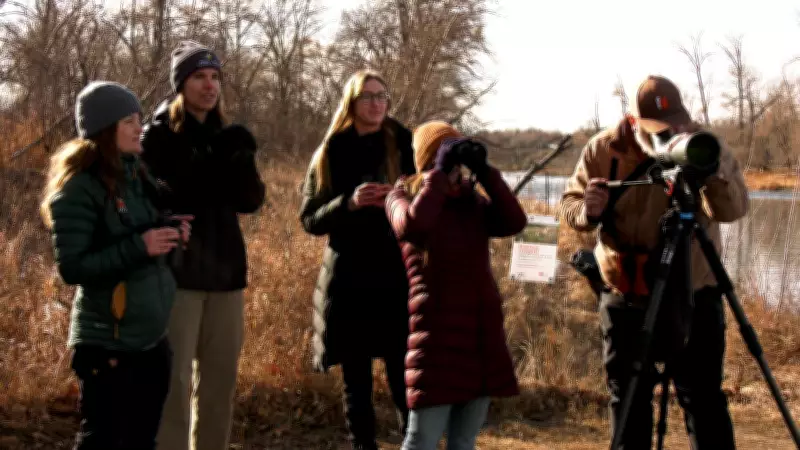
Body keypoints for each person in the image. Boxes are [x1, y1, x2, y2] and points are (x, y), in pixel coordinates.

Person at [560, 75, 749, 449]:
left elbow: (734, 210)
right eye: (658, 129)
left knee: (703, 399)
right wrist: (587, 211)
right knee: (627, 399)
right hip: (625, 295)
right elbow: (570, 204)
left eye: (675, 122)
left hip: (693, 293)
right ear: (633, 122)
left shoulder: (704, 146)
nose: (669, 133)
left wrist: (709, 173)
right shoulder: (603, 149)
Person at [41, 81, 192, 449]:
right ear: (105, 130)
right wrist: (139, 246)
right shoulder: (78, 188)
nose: (139, 126)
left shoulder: (136, 175)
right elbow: (73, 268)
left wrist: (168, 233)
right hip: (107, 344)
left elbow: (137, 234)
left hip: (150, 338)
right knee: (103, 441)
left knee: (142, 441)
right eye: (128, 120)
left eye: (139, 118)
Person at [140, 40, 266, 450]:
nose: (209, 86)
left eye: (215, 77)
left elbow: (250, 202)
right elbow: (164, 196)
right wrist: (214, 162)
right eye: (198, 77)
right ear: (181, 84)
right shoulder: (156, 136)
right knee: (173, 387)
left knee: (218, 385)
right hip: (176, 276)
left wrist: (242, 158)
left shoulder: (228, 136)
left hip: (226, 275)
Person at [384, 121, 526, 450]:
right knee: (421, 441)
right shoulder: (402, 196)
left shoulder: (470, 200)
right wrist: (438, 173)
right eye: (444, 154)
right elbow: (415, 228)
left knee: (464, 443)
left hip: (480, 336)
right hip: (437, 340)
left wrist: (486, 172)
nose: (455, 167)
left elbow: (514, 221)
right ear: (428, 160)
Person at [299, 69, 416, 450]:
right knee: (357, 381)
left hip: (396, 275)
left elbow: (424, 200)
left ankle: (414, 444)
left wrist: (401, 200)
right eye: (368, 96)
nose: (377, 103)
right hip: (349, 277)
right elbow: (310, 219)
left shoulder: (402, 140)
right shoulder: (332, 149)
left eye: (382, 95)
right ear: (351, 102)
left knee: (406, 378)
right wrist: (348, 202)